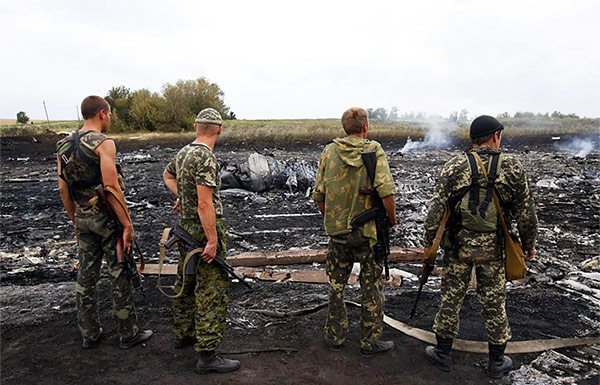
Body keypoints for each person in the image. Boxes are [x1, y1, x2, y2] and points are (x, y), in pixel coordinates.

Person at [422, 115, 538, 378]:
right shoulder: (512, 167)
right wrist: (528, 244)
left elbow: (436, 210)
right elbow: (526, 213)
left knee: (451, 298)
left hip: (457, 246)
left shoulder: (454, 166)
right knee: (494, 300)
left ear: (473, 139)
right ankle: (496, 362)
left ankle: (443, 353)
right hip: (494, 249)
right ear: (495, 136)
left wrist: (429, 243)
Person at [57, 95, 153, 349]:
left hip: (83, 218)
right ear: (102, 113)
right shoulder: (103, 143)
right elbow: (111, 187)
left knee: (86, 277)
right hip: (107, 218)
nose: (110, 119)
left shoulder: (63, 146)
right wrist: (127, 224)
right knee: (119, 271)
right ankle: (128, 333)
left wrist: (74, 220)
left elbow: (64, 190)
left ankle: (89, 334)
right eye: (109, 114)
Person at [313, 107, 397, 356]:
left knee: (336, 286)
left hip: (338, 233)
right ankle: (369, 342)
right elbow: (387, 191)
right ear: (365, 127)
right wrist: (391, 220)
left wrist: (332, 217)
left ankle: (335, 337)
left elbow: (319, 195)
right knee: (371, 287)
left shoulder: (329, 151)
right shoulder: (373, 150)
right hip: (368, 233)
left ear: (344, 127)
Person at [162, 108, 240, 374]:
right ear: (219, 129)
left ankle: (183, 334)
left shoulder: (184, 153)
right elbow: (205, 204)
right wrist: (212, 240)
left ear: (196, 127)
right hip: (200, 232)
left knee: (186, 281)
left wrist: (183, 198)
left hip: (184, 230)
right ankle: (207, 355)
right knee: (211, 290)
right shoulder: (206, 158)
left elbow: (168, 175)